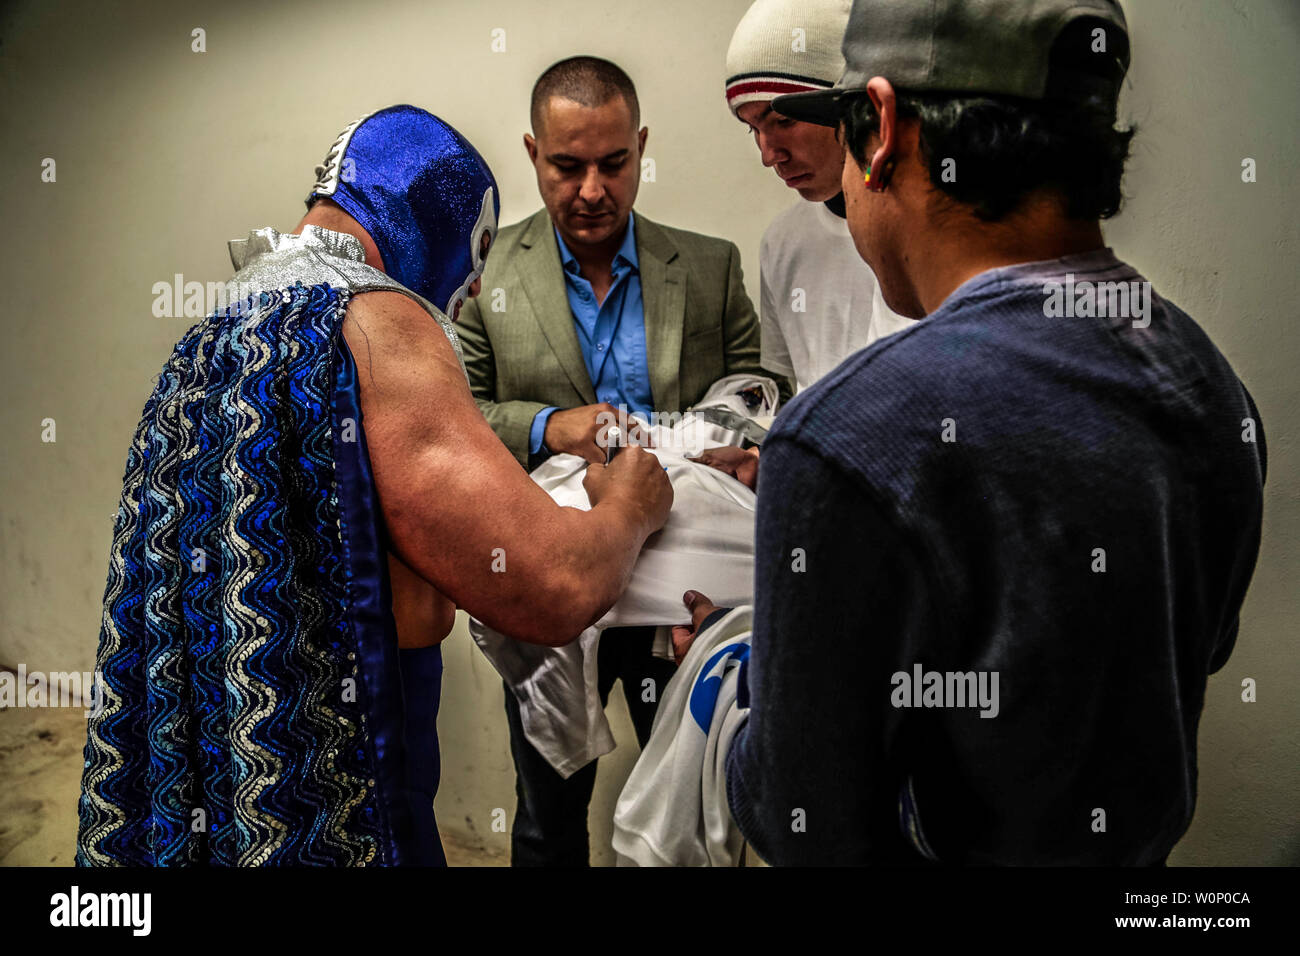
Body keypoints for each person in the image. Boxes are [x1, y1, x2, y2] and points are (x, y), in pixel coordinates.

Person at [676, 0, 1266, 865]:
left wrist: (735, 682)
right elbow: (1197, 653)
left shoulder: (843, 438)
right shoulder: (1213, 386)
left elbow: (809, 820)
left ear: (877, 126)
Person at [77, 105, 672, 867]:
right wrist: (631, 502)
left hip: (223, 736)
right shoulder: (375, 320)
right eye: (476, 254)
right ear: (436, 223)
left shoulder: (217, 321)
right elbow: (552, 581)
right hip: (354, 751)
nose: (474, 284)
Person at [455, 56, 788, 866]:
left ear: (642, 148)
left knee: (693, 805)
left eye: (614, 163)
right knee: (544, 817)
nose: (593, 190)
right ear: (534, 154)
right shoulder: (484, 271)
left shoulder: (711, 267)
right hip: (548, 584)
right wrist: (549, 428)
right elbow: (458, 420)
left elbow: (760, 387)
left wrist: (739, 442)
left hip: (683, 591)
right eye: (567, 167)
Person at [725, 0, 912, 396]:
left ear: (851, 107)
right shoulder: (782, 241)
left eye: (783, 121)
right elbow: (799, 394)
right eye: (752, 129)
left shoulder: (923, 233)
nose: (768, 155)